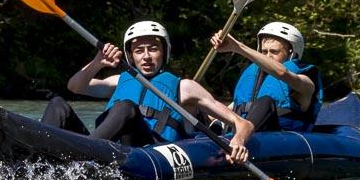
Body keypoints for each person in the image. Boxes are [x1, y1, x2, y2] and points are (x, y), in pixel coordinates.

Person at [46, 21, 252, 163]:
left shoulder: (185, 87)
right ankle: (36, 153)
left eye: (153, 49)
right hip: (104, 147)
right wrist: (97, 62)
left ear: (164, 52)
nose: (146, 56)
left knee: (126, 106)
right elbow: (75, 87)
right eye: (138, 51)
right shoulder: (119, 81)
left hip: (150, 151)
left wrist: (238, 140)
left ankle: (80, 158)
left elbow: (243, 123)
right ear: (130, 56)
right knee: (57, 105)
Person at [209, 22, 323, 132]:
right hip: (237, 132)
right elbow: (228, 110)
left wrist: (237, 47)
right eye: (264, 52)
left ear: (292, 53)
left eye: (274, 51)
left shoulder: (305, 83)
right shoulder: (257, 80)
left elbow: (282, 73)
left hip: (280, 136)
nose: (268, 56)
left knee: (265, 101)